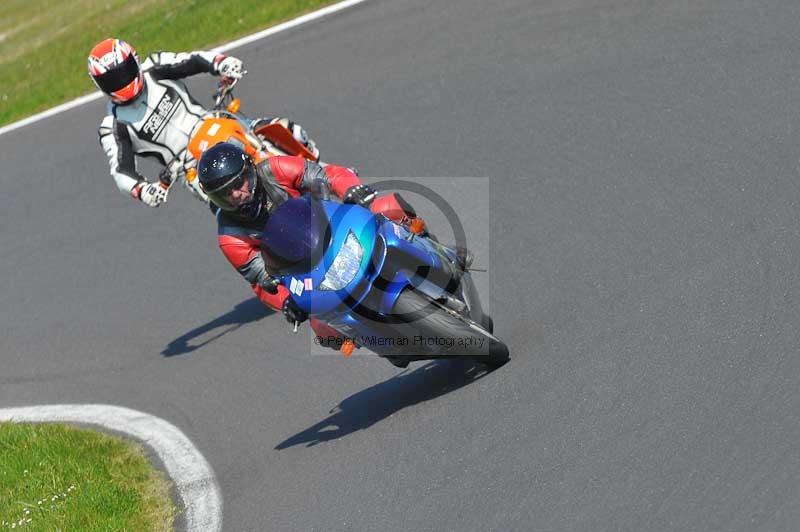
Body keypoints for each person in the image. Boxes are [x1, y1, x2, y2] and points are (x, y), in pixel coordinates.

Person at [196, 142, 420, 336]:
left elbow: (326, 175)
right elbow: (260, 278)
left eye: (238, 184)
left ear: (250, 171)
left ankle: (428, 244)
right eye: (226, 193)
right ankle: (381, 341)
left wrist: (352, 190)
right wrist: (286, 302)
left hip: (332, 226)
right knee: (323, 327)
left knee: (387, 207)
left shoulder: (275, 169)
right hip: (303, 269)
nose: (236, 195)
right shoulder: (230, 235)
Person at [88, 38, 317, 208]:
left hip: (216, 122)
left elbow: (192, 60)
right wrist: (142, 189)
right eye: (112, 79)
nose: (122, 82)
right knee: (238, 209)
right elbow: (120, 170)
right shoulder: (113, 126)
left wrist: (221, 63)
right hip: (192, 167)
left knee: (288, 129)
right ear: (100, 85)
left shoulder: (155, 66)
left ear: (135, 61)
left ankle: (323, 171)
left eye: (124, 72)